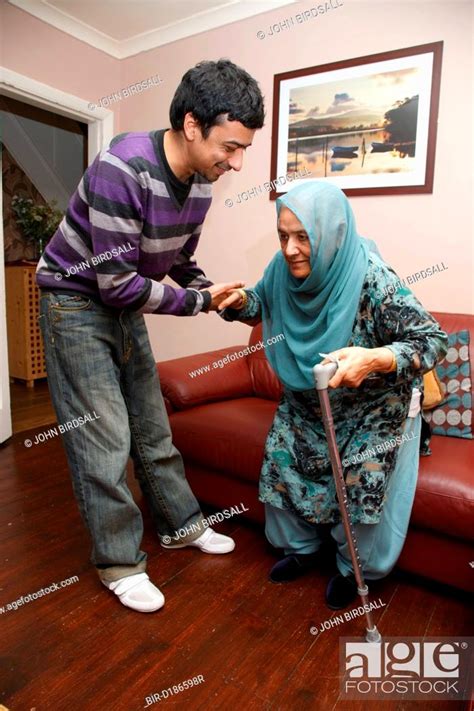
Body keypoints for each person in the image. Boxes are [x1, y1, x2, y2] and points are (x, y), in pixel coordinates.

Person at [35, 59, 265, 613]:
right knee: (104, 436)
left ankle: (181, 526)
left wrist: (217, 298)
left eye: (242, 152)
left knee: (151, 424)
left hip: (121, 293)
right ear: (192, 125)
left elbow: (179, 261)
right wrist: (197, 303)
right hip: (75, 300)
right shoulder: (124, 165)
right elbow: (116, 285)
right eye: (229, 148)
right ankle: (118, 562)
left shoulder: (201, 186)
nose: (235, 164)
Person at [219, 180, 448, 610]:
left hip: (375, 407)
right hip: (310, 402)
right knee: (282, 459)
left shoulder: (373, 278)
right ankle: (301, 550)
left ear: (332, 234)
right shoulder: (282, 271)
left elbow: (432, 341)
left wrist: (375, 359)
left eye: (303, 237)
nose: (290, 249)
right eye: (283, 235)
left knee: (363, 477)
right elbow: (261, 302)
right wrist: (236, 302)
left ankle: (353, 568)